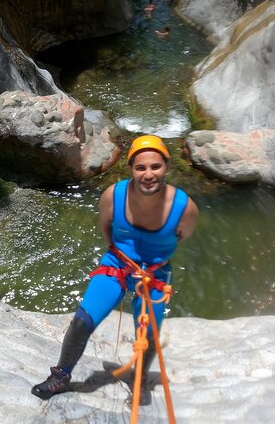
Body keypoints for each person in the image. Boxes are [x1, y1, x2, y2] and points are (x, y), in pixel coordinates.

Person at [31, 134, 199, 402]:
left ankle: (140, 378)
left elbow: (182, 234)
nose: (148, 174)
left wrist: (149, 264)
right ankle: (60, 376)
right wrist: (123, 258)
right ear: (131, 169)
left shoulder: (184, 208)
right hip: (117, 264)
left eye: (155, 166)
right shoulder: (113, 196)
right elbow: (106, 227)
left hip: (154, 274)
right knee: (81, 321)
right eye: (140, 167)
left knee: (148, 334)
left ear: (166, 167)